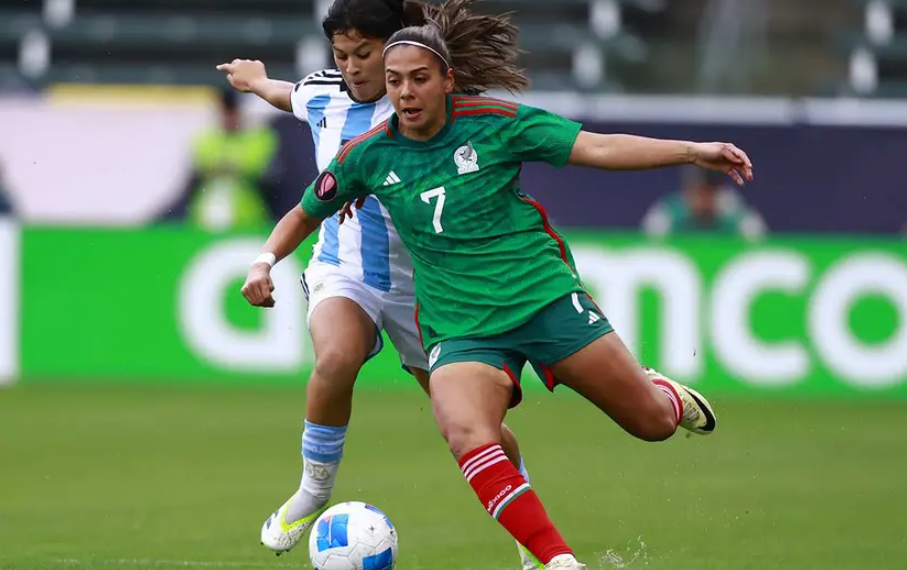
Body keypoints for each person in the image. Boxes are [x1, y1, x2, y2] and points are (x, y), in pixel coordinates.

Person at [241, 4, 754, 568]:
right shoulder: (368, 154)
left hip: (539, 296)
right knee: (465, 431)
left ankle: (665, 397)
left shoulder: (496, 123)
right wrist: (264, 261)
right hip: (460, 324)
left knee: (651, 425)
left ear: (447, 79)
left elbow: (598, 148)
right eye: (395, 82)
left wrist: (693, 152)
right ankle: (557, 561)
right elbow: (304, 210)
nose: (405, 93)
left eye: (418, 79)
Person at [216, 1, 536, 567]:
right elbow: (286, 93)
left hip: (427, 288)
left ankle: (527, 529)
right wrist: (253, 80)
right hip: (346, 271)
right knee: (336, 357)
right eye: (341, 55)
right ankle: (313, 491)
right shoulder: (322, 94)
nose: (352, 67)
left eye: (364, 54)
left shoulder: (422, 100)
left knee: (470, 427)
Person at [157, 88, 279, 230]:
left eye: (233, 111)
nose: (229, 117)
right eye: (225, 111)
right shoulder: (204, 140)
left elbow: (266, 175)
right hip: (205, 219)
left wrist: (225, 167)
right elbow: (197, 174)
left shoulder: (260, 139)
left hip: (248, 219)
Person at [641, 166, 766, 240]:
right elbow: (649, 246)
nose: (705, 197)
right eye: (701, 190)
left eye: (711, 190)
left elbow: (759, 244)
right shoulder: (670, 214)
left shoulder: (733, 214)